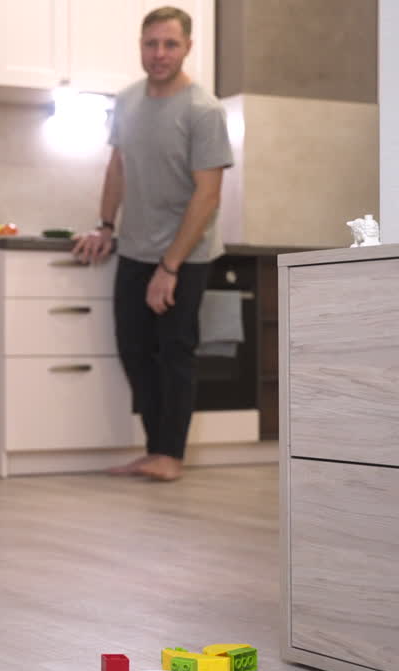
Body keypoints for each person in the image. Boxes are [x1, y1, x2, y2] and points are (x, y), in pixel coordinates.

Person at [71, 5, 233, 482]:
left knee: (174, 350)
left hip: (186, 254)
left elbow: (208, 195)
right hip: (137, 249)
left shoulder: (204, 110)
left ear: (187, 47)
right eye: (151, 44)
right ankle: (155, 449)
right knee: (134, 347)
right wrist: (105, 225)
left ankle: (170, 455)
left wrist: (171, 266)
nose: (159, 54)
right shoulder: (126, 101)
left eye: (170, 44)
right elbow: (118, 168)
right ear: (141, 46)